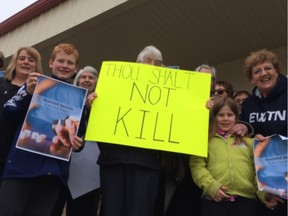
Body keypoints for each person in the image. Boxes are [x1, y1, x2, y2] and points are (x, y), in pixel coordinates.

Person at [0, 43, 84, 216]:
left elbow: (80, 136)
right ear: (51, 63)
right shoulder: (34, 84)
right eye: (60, 61)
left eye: (69, 63)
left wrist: (78, 143)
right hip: (21, 167)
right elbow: (9, 112)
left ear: (76, 68)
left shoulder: (78, 99)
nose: (64, 65)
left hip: (52, 173)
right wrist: (29, 94)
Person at [98, 45, 163, 216]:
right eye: (147, 61)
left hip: (147, 163)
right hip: (114, 160)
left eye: (157, 63)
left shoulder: (167, 96)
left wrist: (202, 109)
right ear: (137, 63)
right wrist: (93, 105)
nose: (152, 65)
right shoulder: (114, 86)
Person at [189, 97, 276, 216]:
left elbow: (257, 172)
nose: (225, 119)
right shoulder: (204, 141)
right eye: (221, 115)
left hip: (246, 202)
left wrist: (264, 194)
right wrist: (211, 187)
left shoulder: (248, 142)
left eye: (230, 115)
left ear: (236, 117)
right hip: (215, 200)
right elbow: (197, 167)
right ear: (214, 117)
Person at [240, 49, 287, 216]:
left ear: (276, 71)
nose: (263, 74)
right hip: (263, 180)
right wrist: (250, 133)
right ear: (252, 79)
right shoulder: (247, 105)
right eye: (257, 71)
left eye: (268, 68)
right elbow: (244, 134)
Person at [0, 47, 42, 180]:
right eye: (22, 58)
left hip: (15, 154)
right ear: (15, 62)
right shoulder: (1, 83)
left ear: (36, 65)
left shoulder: (40, 92)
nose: (26, 62)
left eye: (31, 60)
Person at [66, 66, 101, 216]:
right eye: (83, 77)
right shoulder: (67, 101)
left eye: (91, 78)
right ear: (77, 81)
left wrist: (91, 109)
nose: (87, 80)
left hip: (93, 170)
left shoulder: (104, 105)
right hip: (68, 167)